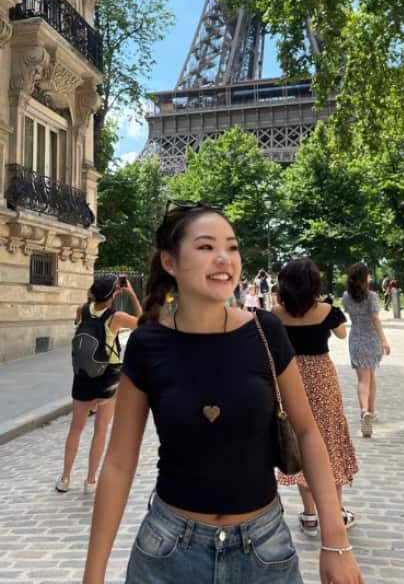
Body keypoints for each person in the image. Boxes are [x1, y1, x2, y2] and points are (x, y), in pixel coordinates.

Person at [82, 202, 362, 583]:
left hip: (265, 552)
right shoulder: (148, 344)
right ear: (169, 262)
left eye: (231, 247)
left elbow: (308, 432)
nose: (224, 258)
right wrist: (92, 576)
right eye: (205, 246)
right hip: (168, 551)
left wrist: (336, 540)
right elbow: (117, 463)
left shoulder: (266, 331)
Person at [272, 259, 360, 537]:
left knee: (299, 441)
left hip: (289, 375)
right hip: (321, 376)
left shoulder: (276, 313)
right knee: (329, 440)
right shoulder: (327, 311)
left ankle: (310, 514)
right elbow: (343, 334)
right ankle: (335, 513)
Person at [58, 275, 141, 495]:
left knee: (75, 428)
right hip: (109, 376)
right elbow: (145, 323)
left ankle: (65, 478)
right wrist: (131, 293)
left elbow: (80, 324)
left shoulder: (82, 310)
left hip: (83, 375)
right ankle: (91, 480)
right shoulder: (117, 317)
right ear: (114, 294)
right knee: (101, 430)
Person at [342, 263, 391, 438]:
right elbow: (375, 318)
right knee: (369, 376)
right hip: (372, 339)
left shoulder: (346, 297)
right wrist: (384, 341)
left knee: (364, 378)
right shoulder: (371, 296)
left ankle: (367, 410)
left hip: (356, 338)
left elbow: (349, 312)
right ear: (364, 278)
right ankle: (368, 411)